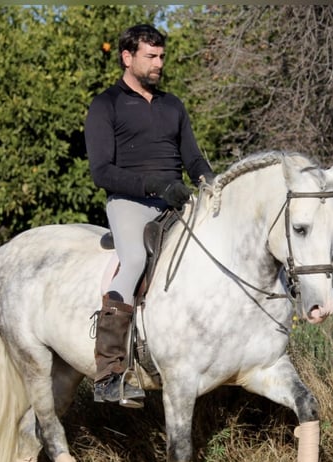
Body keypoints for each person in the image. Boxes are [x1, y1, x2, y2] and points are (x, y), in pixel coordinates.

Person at [84, 23, 214, 406]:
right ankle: (109, 375)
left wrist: (211, 183)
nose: (159, 63)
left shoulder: (173, 105)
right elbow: (101, 172)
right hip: (130, 202)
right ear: (128, 57)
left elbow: (192, 157)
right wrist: (155, 186)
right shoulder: (105, 104)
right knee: (136, 258)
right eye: (151, 57)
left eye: (161, 57)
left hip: (175, 201)